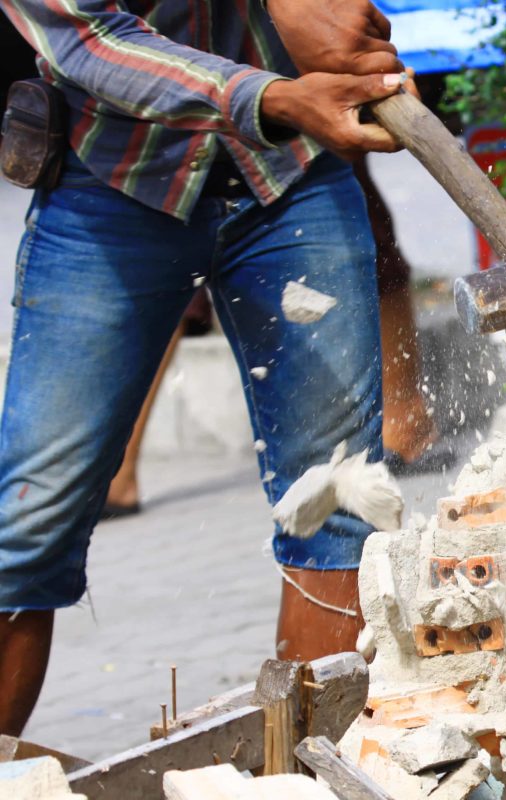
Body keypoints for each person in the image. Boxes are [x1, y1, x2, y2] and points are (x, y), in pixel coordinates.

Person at [0, 0, 407, 735]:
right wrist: (275, 95)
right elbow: (90, 38)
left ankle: (314, 768)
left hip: (292, 177)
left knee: (338, 496)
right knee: (28, 520)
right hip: (114, 182)